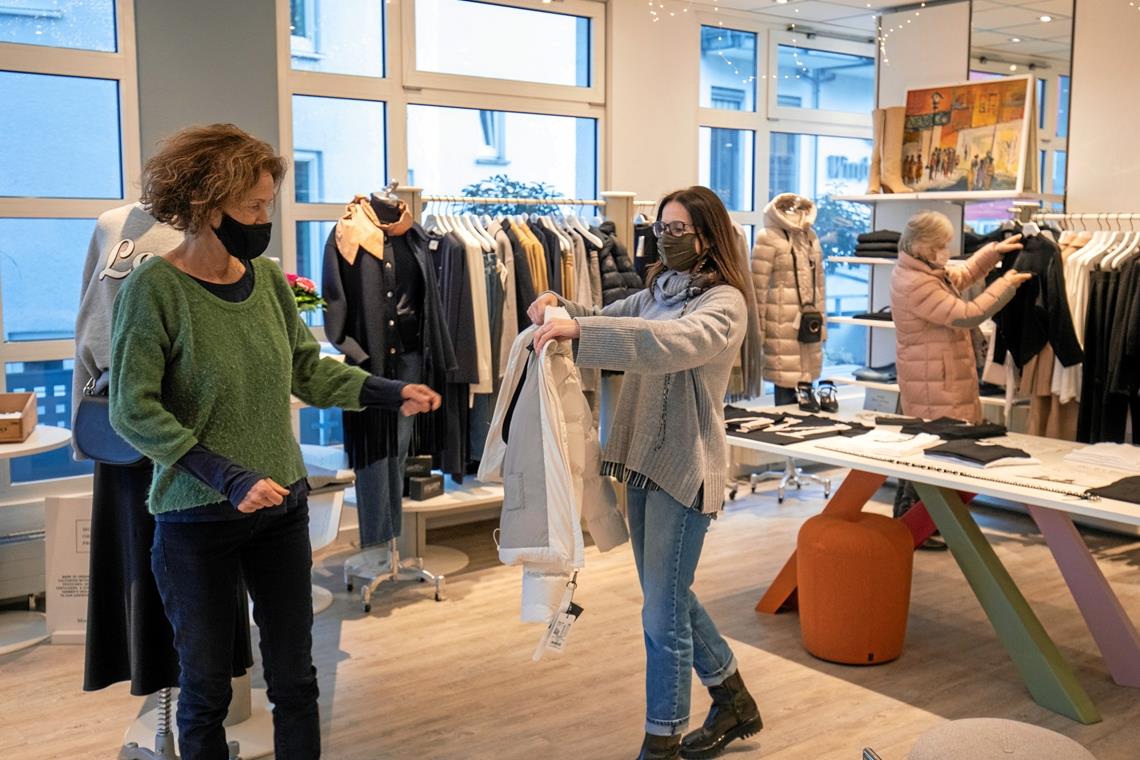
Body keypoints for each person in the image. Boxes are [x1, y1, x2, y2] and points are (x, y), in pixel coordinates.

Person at [110, 123, 441, 760]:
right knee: (205, 689)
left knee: (295, 680)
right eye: (253, 207)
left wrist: (387, 392)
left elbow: (307, 370)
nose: (265, 218)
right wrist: (229, 476)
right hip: (196, 518)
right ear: (206, 205)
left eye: (268, 204)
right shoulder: (155, 289)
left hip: (281, 512)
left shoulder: (266, 282)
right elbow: (133, 409)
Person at [528, 186, 763, 760]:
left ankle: (663, 738)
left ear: (709, 236)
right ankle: (733, 697)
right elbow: (600, 321)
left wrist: (580, 331)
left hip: (687, 469)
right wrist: (559, 309)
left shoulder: (724, 303)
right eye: (661, 226)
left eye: (679, 228)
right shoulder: (655, 292)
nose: (666, 236)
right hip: (640, 463)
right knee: (668, 597)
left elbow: (673, 345)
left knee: (661, 611)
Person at [890, 211, 1029, 547]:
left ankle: (920, 526)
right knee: (929, 454)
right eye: (940, 245)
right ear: (920, 245)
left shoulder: (925, 271)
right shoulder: (915, 282)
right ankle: (912, 528)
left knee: (931, 452)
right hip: (933, 378)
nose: (946, 250)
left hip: (938, 374)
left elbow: (961, 274)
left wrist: (994, 252)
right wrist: (1004, 285)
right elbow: (967, 315)